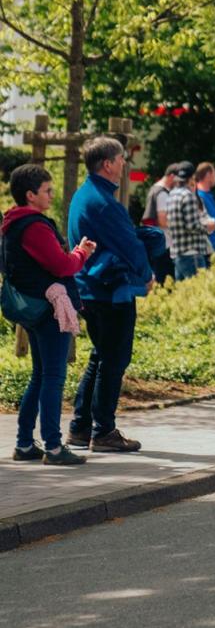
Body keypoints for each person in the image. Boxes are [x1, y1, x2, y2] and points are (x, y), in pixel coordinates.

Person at [68, 136, 155, 453]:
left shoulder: (84, 195)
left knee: (102, 355)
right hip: (111, 291)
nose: (124, 164)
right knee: (115, 358)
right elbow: (130, 245)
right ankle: (103, 431)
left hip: (90, 289)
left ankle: (80, 427)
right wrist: (147, 277)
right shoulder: (104, 203)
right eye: (121, 159)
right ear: (108, 164)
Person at [6, 164, 95, 466]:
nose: (52, 194)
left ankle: (24, 444)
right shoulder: (34, 226)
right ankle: (54, 447)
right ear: (30, 195)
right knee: (53, 378)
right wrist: (82, 253)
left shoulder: (11, 225)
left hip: (32, 308)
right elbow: (62, 266)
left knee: (40, 376)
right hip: (49, 310)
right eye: (47, 190)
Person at [166, 162, 215, 281]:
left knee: (183, 296)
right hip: (192, 253)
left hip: (177, 253)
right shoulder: (188, 196)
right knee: (199, 293)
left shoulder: (171, 195)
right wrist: (208, 227)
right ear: (192, 178)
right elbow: (192, 226)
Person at [141, 162, 177, 284]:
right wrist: (179, 224)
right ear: (172, 176)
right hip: (163, 244)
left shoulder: (154, 189)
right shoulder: (162, 193)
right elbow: (162, 220)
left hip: (156, 242)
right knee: (164, 282)